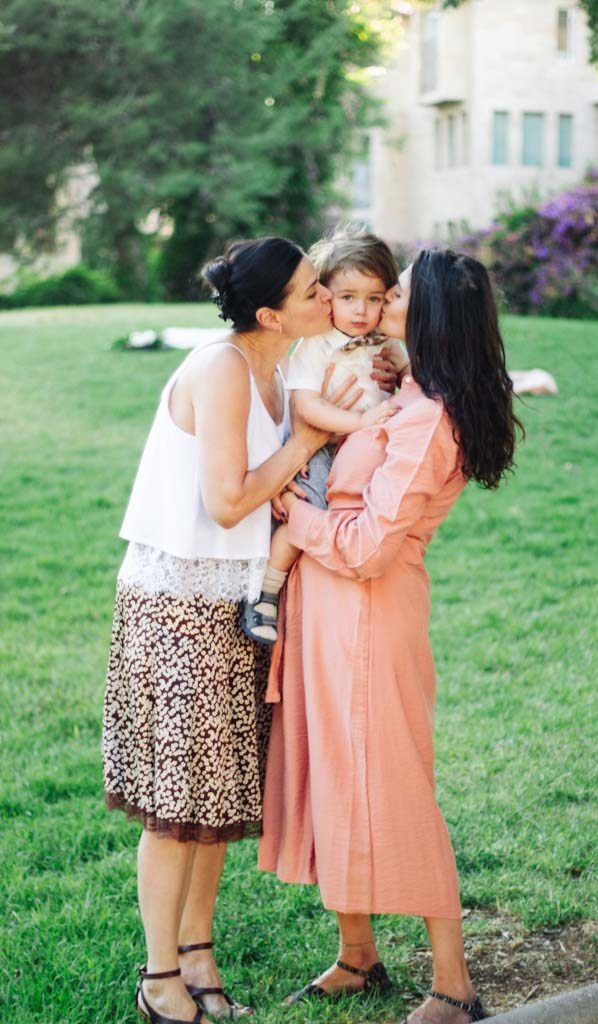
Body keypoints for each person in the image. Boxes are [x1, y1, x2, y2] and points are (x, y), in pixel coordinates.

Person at [102, 236, 367, 1024]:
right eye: (314, 291)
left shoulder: (278, 368)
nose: (328, 300)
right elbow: (226, 501)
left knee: (213, 800)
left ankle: (198, 956)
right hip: (178, 605)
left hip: (235, 602)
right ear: (268, 312)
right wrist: (309, 443)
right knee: (177, 806)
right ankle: (158, 979)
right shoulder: (220, 370)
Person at [258, 249, 524, 1024]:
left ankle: (454, 986)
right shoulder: (406, 387)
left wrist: (296, 518)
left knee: (395, 782)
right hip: (328, 606)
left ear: (431, 309)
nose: (383, 298)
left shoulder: (432, 418)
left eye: (398, 290)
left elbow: (372, 545)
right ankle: (358, 955)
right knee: (336, 773)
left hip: (371, 612)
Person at [240, 226, 408, 645]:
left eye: (374, 299)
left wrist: (403, 372)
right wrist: (358, 424)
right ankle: (266, 592)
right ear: (328, 296)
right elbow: (307, 407)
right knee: (306, 515)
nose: (361, 311)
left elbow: (408, 375)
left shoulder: (385, 340)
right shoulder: (316, 346)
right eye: (348, 298)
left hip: (366, 451)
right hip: (320, 448)